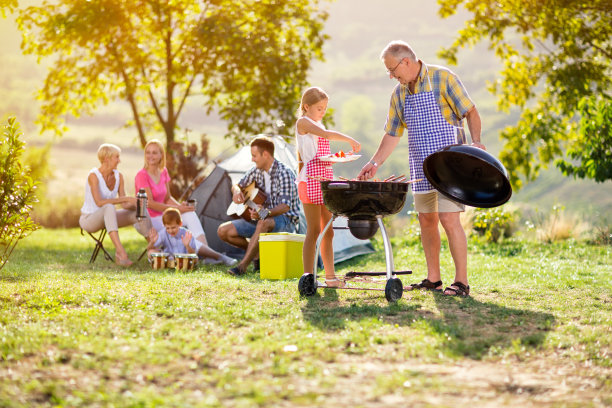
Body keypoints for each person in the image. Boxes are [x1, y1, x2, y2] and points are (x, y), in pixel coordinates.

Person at [358, 40, 485, 297]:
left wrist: (476, 142)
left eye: (393, 70)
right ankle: (434, 279)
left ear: (406, 61)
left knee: (449, 219)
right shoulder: (399, 93)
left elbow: (471, 112)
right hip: (420, 166)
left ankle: (461, 282)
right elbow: (392, 134)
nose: (392, 76)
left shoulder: (443, 78)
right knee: (427, 220)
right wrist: (374, 163)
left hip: (450, 166)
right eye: (389, 72)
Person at [295, 87, 361, 288]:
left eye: (324, 109)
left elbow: (323, 146)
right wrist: (350, 140)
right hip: (310, 180)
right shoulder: (303, 122)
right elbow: (325, 134)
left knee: (328, 231)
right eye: (319, 108)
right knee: (314, 230)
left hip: (325, 179)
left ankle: (330, 277)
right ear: (306, 107)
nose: (322, 112)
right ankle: (308, 277)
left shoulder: (317, 122)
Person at [135, 139, 236, 266]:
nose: (150, 156)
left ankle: (205, 254)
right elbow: (150, 203)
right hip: (153, 219)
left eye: (154, 153)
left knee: (190, 214)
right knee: (184, 225)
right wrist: (177, 210)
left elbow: (167, 197)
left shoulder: (163, 171)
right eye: (148, 153)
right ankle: (214, 255)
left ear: (161, 155)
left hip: (165, 214)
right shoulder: (141, 175)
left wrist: (179, 207)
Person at [218, 136, 301, 276]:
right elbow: (238, 184)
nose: (252, 159)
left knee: (263, 221)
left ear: (266, 154)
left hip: (285, 221)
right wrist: (237, 191)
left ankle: (242, 267)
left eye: (254, 155)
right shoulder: (256, 170)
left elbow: (285, 207)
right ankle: (257, 255)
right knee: (223, 231)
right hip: (261, 220)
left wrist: (264, 213)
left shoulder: (284, 172)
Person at [79, 143, 150, 267]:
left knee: (138, 211)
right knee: (108, 207)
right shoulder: (93, 176)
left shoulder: (119, 176)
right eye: (116, 157)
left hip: (108, 217)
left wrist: (137, 203)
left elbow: (124, 205)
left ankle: (152, 247)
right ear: (107, 158)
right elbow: (99, 203)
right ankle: (120, 252)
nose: (119, 160)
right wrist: (126, 198)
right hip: (89, 219)